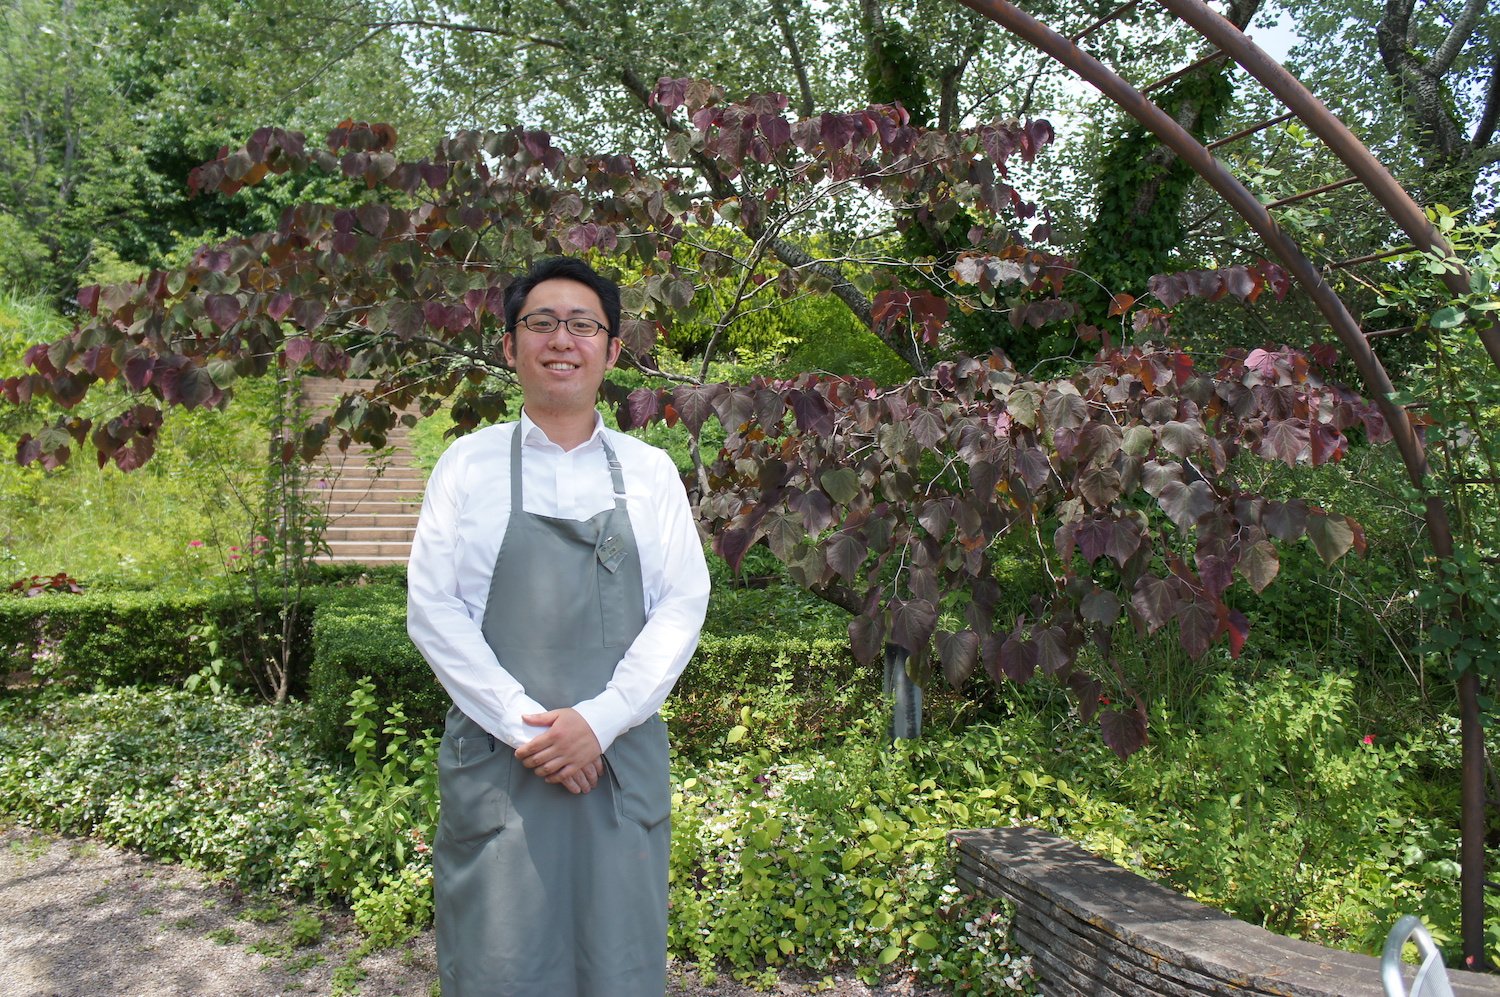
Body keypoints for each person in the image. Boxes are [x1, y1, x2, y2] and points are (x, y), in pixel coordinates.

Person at [406, 256, 710, 996]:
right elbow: (432, 609)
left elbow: (682, 605)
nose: (561, 339)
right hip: (500, 763)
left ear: (611, 348)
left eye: (583, 323)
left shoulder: (649, 473)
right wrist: (535, 729)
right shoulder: (465, 466)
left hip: (615, 766)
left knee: (618, 966)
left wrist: (598, 721)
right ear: (510, 346)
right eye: (540, 322)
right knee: (497, 967)